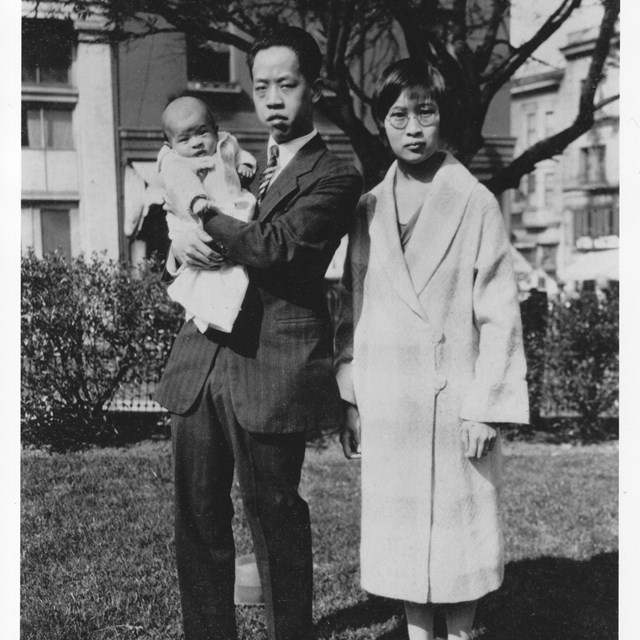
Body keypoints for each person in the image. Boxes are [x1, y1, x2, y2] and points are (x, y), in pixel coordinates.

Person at [154, 26, 362, 640]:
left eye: (287, 84)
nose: (272, 98)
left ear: (314, 88)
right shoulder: (233, 158)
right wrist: (178, 247)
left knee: (274, 516)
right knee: (196, 516)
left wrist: (199, 214)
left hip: (271, 366)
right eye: (261, 85)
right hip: (200, 360)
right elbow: (171, 234)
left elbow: (278, 248)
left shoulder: (334, 175)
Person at [335, 58, 529, 640]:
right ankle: (419, 631)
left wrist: (485, 406)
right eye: (399, 116)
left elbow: (499, 313)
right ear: (382, 125)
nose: (413, 128)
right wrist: (352, 397)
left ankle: (463, 632)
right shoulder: (368, 207)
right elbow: (352, 306)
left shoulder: (474, 203)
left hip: (454, 403)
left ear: (444, 120)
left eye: (426, 112)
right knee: (404, 535)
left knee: (455, 530)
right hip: (391, 402)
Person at [158, 95, 257, 332]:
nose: (196, 143)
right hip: (194, 215)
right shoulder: (173, 162)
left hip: (233, 209)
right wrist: (196, 200)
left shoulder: (227, 143)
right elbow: (178, 185)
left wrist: (246, 166)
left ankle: (221, 311)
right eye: (185, 139)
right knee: (204, 273)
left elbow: (241, 155)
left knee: (224, 271)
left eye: (203, 133)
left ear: (216, 130)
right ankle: (209, 313)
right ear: (169, 145)